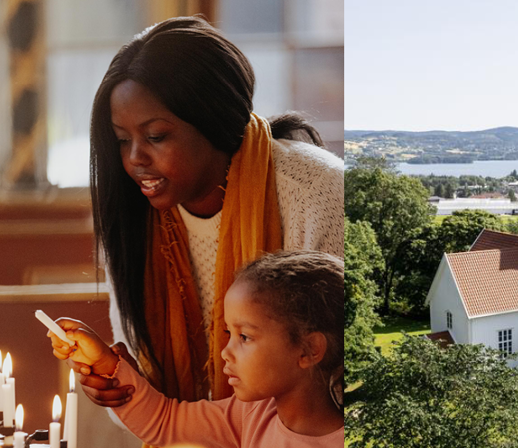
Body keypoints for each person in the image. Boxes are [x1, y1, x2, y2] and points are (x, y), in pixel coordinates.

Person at [84, 15, 343, 410]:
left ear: (214, 120)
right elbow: (148, 391)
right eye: (122, 140)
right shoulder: (130, 211)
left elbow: (347, 384)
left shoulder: (317, 192)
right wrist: (122, 387)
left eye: (155, 136)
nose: (135, 158)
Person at [49, 251, 345, 447]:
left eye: (245, 337)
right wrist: (104, 363)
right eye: (229, 333)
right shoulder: (253, 414)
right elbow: (165, 422)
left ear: (309, 350)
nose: (225, 352)